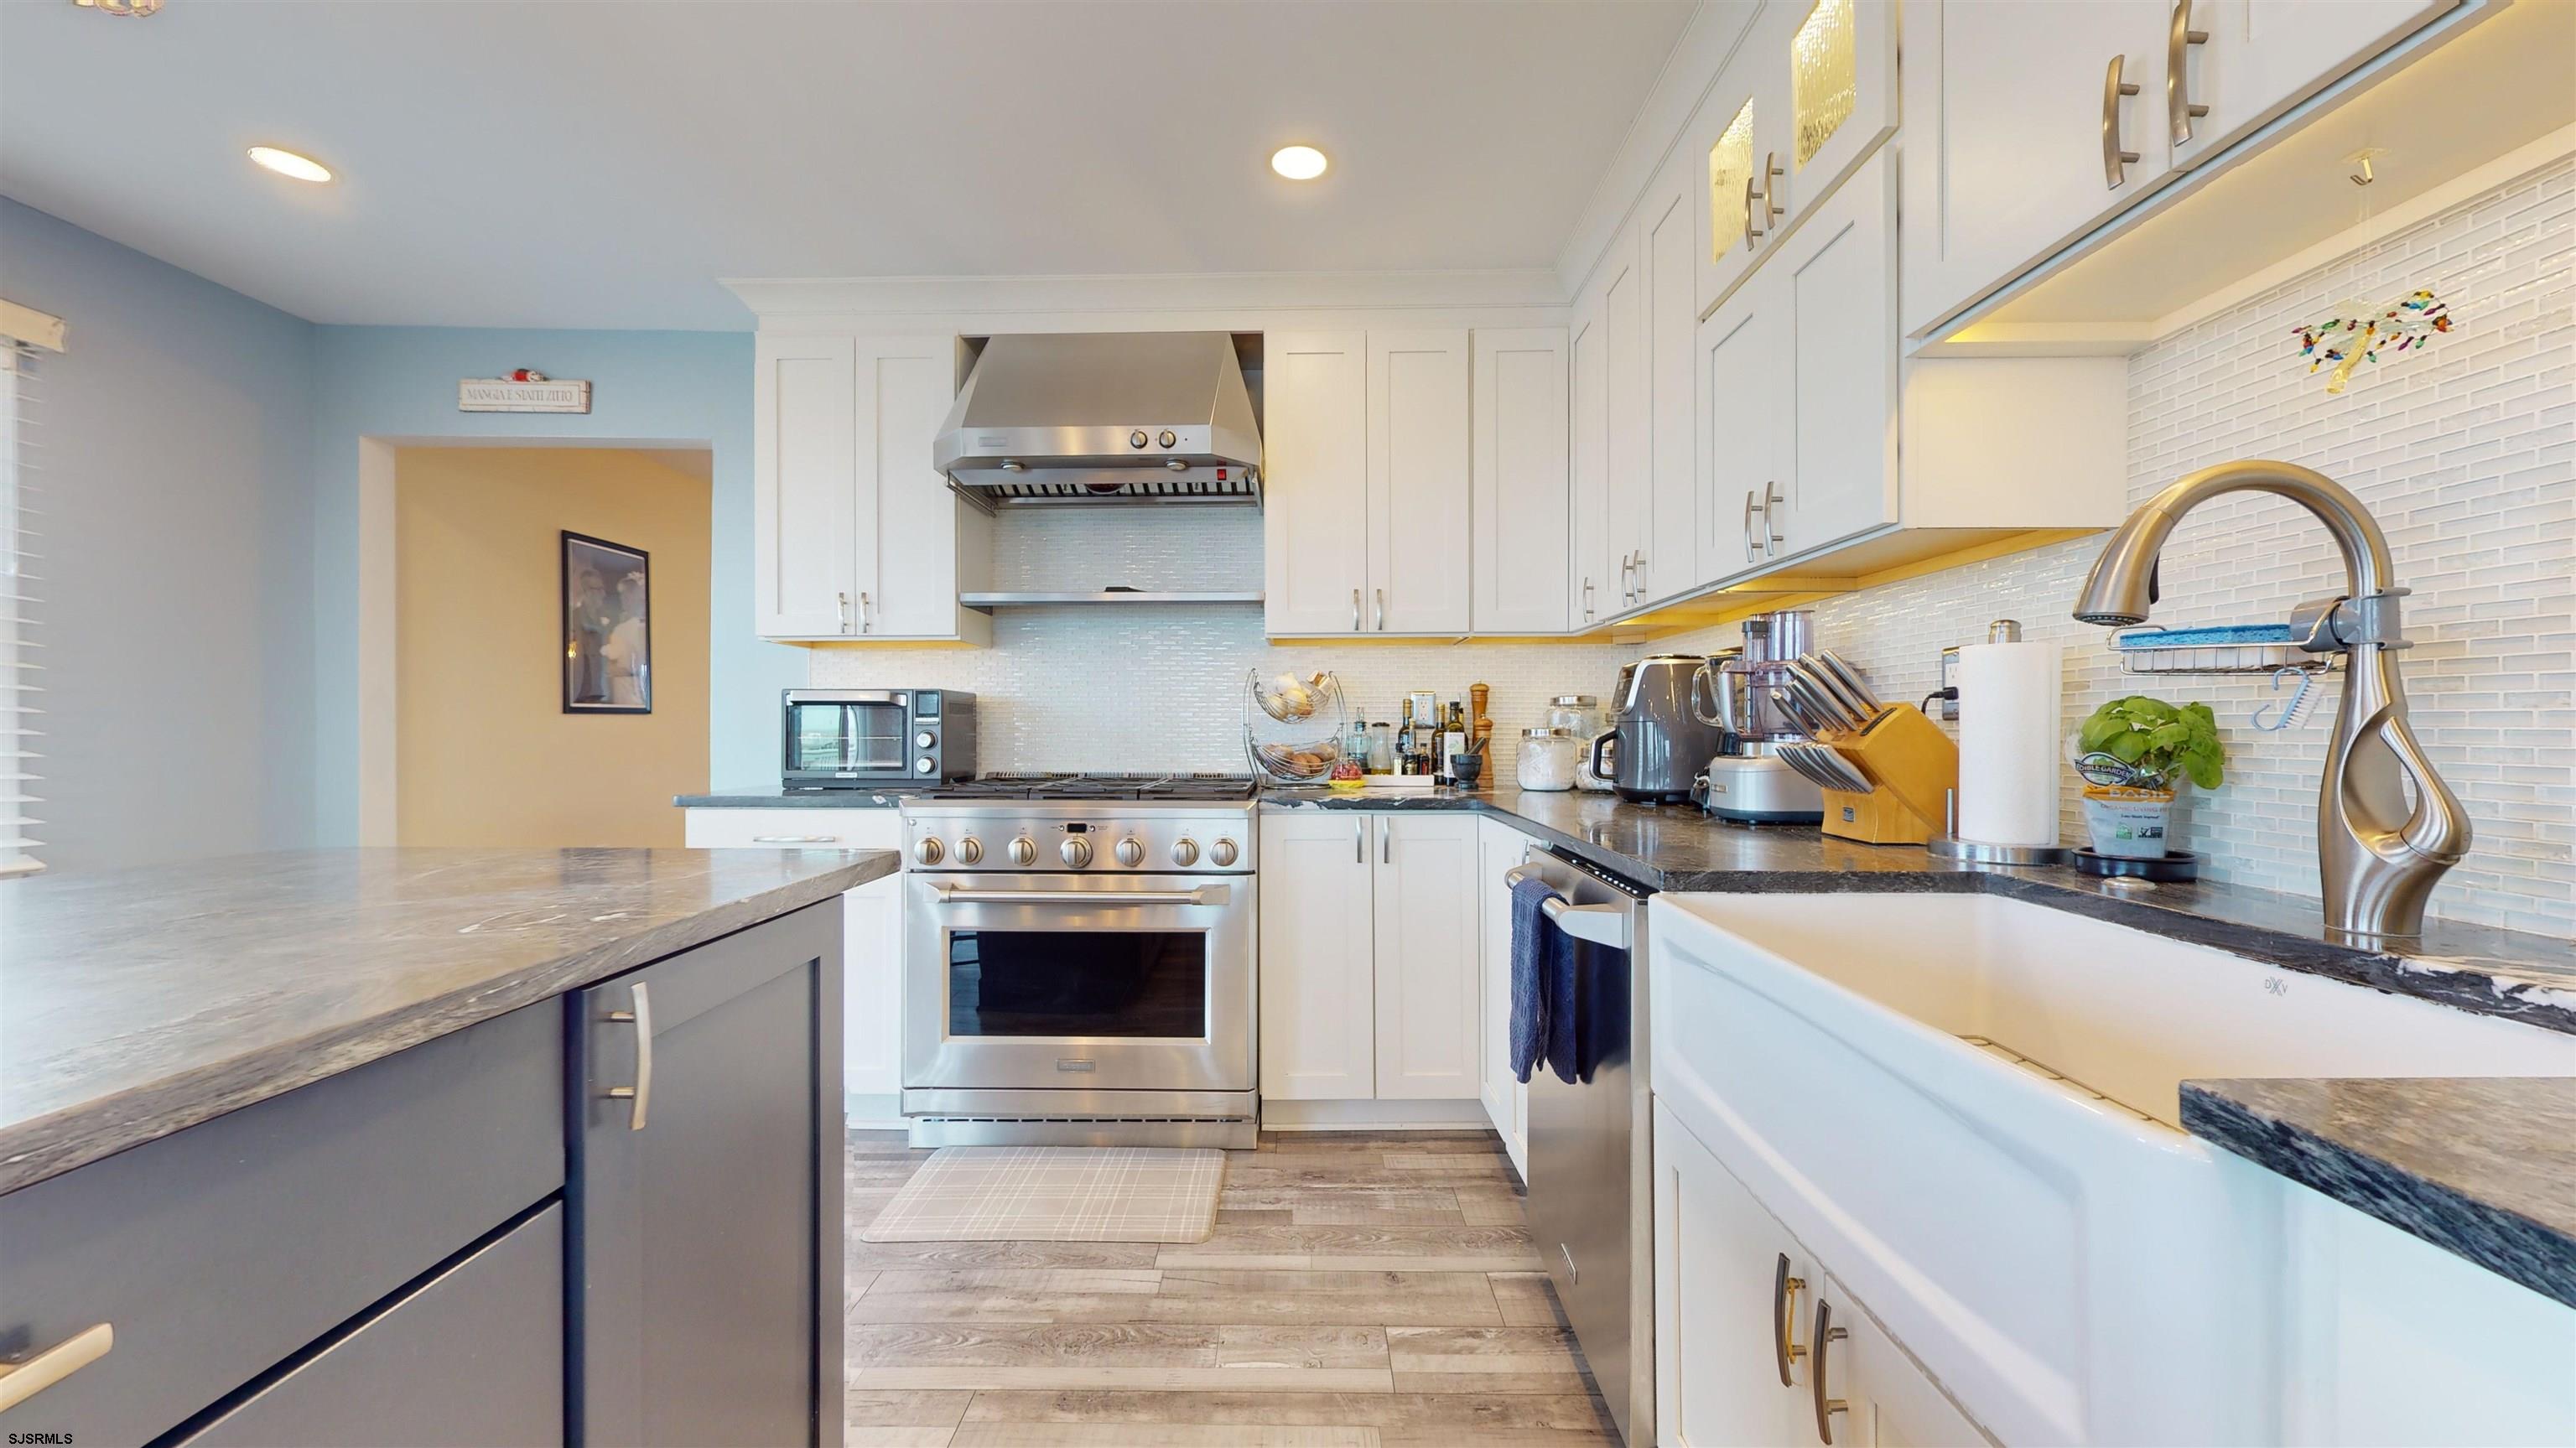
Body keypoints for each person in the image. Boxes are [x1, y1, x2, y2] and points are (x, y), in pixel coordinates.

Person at [603, 570, 649, 708]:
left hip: (630, 693)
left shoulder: (626, 629)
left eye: (626, 595)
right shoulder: (623, 628)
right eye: (621, 595)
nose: (623, 599)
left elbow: (622, 664)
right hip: (628, 694)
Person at [568, 564, 613, 704]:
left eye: (603, 589)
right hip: (580, 690)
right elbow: (572, 651)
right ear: (586, 591)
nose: (603, 594)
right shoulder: (574, 618)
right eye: (598, 590)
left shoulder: (608, 618)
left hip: (603, 690)